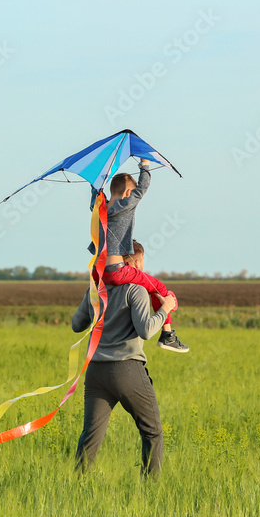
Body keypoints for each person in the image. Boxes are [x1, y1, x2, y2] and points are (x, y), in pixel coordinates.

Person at [71, 248, 178, 476]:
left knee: (90, 435)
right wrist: (165, 308)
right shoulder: (136, 290)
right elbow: (146, 331)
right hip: (127, 369)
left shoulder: (95, 288)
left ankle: (77, 487)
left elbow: (76, 325)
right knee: (152, 432)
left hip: (96, 372)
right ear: (136, 262)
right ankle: (151, 491)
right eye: (142, 262)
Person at [96, 159, 189, 353]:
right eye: (132, 193)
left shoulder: (100, 209)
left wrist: (98, 181)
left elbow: (95, 193)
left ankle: (166, 325)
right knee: (159, 287)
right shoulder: (125, 207)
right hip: (118, 271)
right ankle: (168, 335)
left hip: (101, 272)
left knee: (149, 285)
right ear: (128, 193)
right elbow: (143, 187)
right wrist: (144, 165)